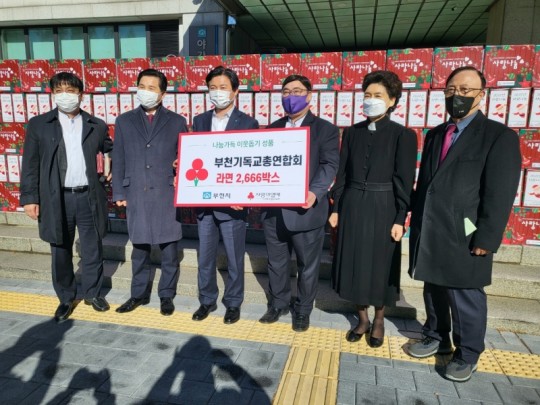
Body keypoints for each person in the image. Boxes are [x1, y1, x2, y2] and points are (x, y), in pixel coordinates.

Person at [407, 66, 521, 382]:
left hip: (467, 230)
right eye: (451, 90)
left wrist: (486, 237)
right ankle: (436, 335)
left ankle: (468, 352)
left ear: (481, 95)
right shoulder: (436, 134)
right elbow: (428, 183)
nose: (457, 95)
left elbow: (500, 193)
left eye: (465, 90)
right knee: (433, 285)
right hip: (432, 227)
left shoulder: (498, 136)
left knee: (464, 292)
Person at [329, 71, 417, 347]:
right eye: (367, 95)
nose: (371, 100)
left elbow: (404, 180)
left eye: (378, 95)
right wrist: (336, 208)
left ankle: (379, 319)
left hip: (385, 205)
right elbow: (342, 174)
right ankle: (362, 318)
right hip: (353, 204)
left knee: (381, 264)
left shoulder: (403, 135)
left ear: (392, 101)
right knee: (353, 261)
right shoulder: (351, 132)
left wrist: (400, 217)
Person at [20, 72, 113, 322]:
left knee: (93, 247)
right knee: (60, 249)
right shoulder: (39, 124)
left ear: (80, 94)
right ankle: (65, 297)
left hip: (88, 196)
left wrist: (112, 166)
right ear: (52, 94)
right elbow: (30, 164)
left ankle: (93, 293)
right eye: (59, 90)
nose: (65, 95)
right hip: (56, 198)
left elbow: (110, 150)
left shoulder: (96, 124)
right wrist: (30, 198)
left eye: (71, 91)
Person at [258, 74, 340, 332]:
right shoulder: (272, 129)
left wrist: (314, 192)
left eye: (296, 91)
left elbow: (329, 165)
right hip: (274, 212)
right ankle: (278, 304)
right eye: (285, 91)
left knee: (307, 266)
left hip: (306, 210)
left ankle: (303, 310)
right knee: (276, 262)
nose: (290, 96)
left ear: (309, 95)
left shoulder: (325, 129)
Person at [112, 69, 187, 316]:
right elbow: (118, 157)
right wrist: (119, 192)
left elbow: (186, 157)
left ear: (163, 93)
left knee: (169, 250)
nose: (146, 91)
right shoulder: (124, 121)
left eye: (152, 88)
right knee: (140, 249)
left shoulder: (177, 121)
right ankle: (138, 294)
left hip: (166, 192)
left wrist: (180, 164)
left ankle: (166, 295)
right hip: (136, 192)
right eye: (142, 86)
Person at [191, 66, 259, 324]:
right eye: (213, 87)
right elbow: (196, 155)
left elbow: (251, 163)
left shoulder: (248, 123)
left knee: (234, 257)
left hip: (233, 204)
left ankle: (233, 303)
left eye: (223, 87)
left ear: (235, 91)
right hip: (205, 202)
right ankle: (206, 300)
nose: (217, 92)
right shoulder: (199, 121)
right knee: (205, 256)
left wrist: (243, 195)